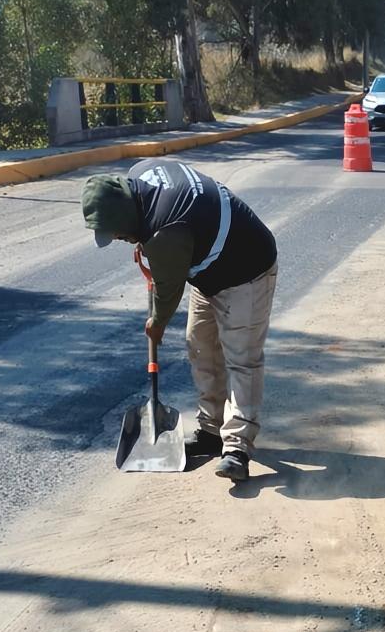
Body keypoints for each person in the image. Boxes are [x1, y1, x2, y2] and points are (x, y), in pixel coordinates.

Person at [80, 158, 278, 482]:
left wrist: (156, 325)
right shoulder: (139, 174)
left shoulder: (164, 233)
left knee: (242, 360)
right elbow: (166, 238)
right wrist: (143, 239)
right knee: (200, 346)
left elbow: (167, 293)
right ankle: (213, 431)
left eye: (117, 232)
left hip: (247, 271)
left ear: (125, 214)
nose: (117, 238)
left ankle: (237, 449)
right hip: (210, 268)